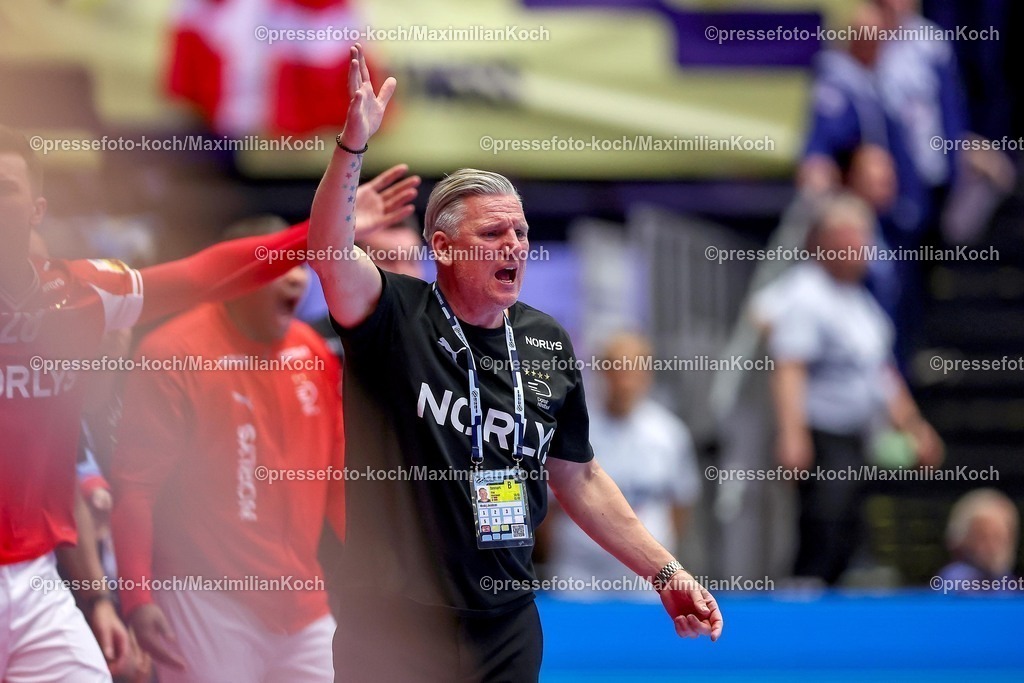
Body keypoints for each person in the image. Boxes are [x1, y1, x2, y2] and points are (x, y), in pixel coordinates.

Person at [310, 45, 722, 683]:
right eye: (493, 235)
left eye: (521, 233)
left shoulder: (546, 340)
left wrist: (664, 571)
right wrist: (352, 144)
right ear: (441, 248)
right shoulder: (394, 316)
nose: (515, 246)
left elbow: (579, 480)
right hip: (394, 620)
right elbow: (328, 249)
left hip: (505, 622)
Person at [0, 125, 311, 683]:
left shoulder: (78, 297)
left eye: (5, 188)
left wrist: (321, 230)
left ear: (36, 209)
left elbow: (206, 273)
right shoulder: (171, 355)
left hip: (34, 579)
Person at [110, 216, 345, 682]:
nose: (298, 276)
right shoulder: (172, 353)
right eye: (280, 266)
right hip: (203, 596)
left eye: (300, 264)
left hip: (303, 604)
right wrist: (137, 599)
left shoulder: (312, 349)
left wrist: (382, 575)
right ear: (238, 278)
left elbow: (339, 476)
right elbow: (134, 488)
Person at [757, 193, 944, 585]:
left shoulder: (860, 302)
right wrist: (793, 435)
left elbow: (882, 374)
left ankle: (832, 617)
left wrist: (915, 426)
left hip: (857, 435)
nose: (861, 249)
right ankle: (802, 608)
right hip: (823, 434)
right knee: (822, 531)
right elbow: (789, 368)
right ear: (825, 243)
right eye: (851, 240)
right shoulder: (805, 294)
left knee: (848, 534)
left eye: (863, 239)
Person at [545, 332, 700, 599]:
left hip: (643, 576)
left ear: (647, 373)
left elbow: (680, 505)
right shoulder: (572, 427)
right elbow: (548, 508)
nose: (626, 380)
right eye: (617, 368)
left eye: (634, 368)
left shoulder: (670, 433)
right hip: (579, 574)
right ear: (603, 372)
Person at [938, 489, 1020, 593]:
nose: (992, 547)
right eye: (983, 537)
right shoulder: (955, 582)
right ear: (961, 540)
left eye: (998, 536)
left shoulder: (1008, 583)